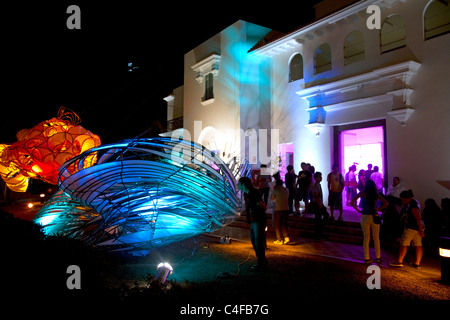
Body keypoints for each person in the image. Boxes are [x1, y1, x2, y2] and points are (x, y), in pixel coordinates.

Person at [351, 180, 388, 264]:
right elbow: (386, 203)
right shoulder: (376, 194)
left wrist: (358, 210)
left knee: (366, 238)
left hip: (364, 216)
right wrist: (378, 209)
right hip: (374, 216)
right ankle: (378, 257)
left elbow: (352, 202)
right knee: (376, 238)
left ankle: (366, 258)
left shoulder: (362, 193)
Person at [238, 177, 268, 270]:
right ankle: (262, 259)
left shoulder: (253, 192)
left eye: (239, 183)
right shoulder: (246, 193)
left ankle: (261, 262)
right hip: (255, 219)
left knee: (257, 241)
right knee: (253, 239)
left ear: (243, 184)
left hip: (259, 219)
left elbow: (263, 206)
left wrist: (258, 205)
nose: (238, 185)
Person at [390, 190, 425, 268]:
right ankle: (417, 263)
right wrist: (421, 230)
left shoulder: (412, 206)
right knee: (418, 245)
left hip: (411, 228)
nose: (403, 201)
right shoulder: (414, 203)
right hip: (417, 228)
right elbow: (419, 219)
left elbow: (418, 218)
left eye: (403, 199)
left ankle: (399, 261)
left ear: (408, 198)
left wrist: (421, 231)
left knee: (404, 244)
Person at [310, 172, 329, 240]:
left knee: (319, 219)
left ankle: (318, 233)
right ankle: (318, 234)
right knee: (320, 218)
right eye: (319, 177)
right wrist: (320, 204)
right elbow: (316, 196)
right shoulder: (315, 185)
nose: (321, 178)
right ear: (315, 178)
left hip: (319, 203)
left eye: (321, 176)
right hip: (317, 204)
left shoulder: (317, 185)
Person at [270, 179, 290, 245]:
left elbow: (272, 198)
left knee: (277, 225)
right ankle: (286, 237)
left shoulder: (276, 190)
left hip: (278, 209)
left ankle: (280, 239)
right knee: (284, 224)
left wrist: (273, 190)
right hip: (286, 209)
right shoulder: (286, 189)